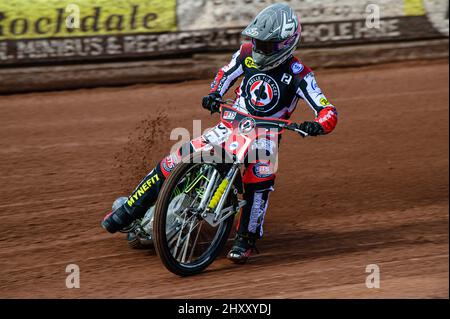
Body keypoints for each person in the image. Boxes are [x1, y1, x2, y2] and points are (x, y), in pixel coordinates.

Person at [102, 3, 338, 264]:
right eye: (256, 41)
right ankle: (129, 210)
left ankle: (246, 239)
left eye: (266, 45)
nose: (259, 49)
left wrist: (318, 124)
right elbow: (225, 74)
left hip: (265, 136)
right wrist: (214, 93)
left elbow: (327, 110)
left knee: (259, 179)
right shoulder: (246, 52)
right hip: (231, 124)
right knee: (176, 157)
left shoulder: (300, 75)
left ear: (286, 44)